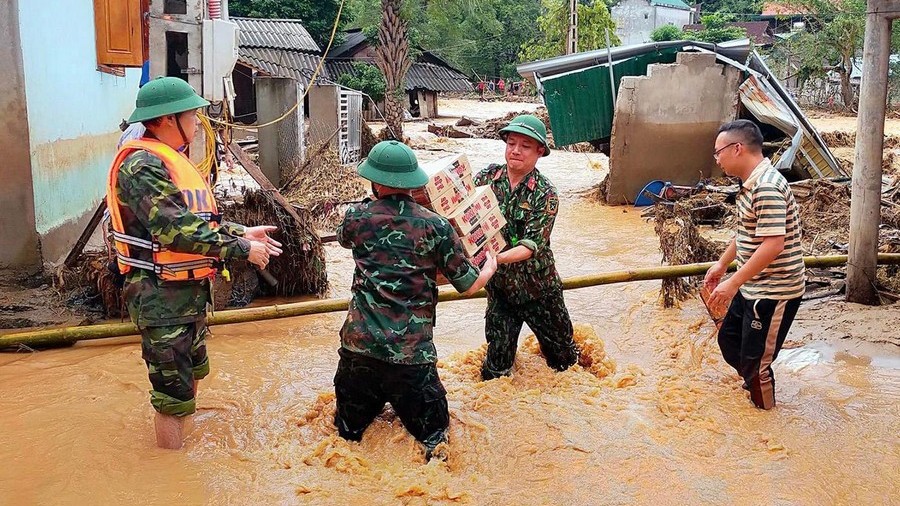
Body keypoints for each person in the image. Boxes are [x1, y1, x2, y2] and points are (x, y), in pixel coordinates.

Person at [106, 77, 282, 449]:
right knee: (173, 397)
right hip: (160, 298)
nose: (198, 121)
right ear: (169, 119)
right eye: (192, 114)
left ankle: (184, 444)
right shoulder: (141, 167)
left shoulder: (170, 161)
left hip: (187, 294)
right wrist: (241, 249)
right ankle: (170, 474)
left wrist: (241, 232)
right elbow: (175, 231)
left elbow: (197, 220)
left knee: (193, 374)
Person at [334, 140, 497, 460]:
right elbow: (467, 284)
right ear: (413, 182)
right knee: (437, 441)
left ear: (375, 181)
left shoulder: (356, 216)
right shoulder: (436, 226)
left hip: (358, 352)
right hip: (412, 359)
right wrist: (489, 267)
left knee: (346, 439)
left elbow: (344, 239)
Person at [704, 119, 805, 410]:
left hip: (774, 290)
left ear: (737, 148)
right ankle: (754, 383)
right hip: (753, 284)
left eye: (718, 152)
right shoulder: (749, 184)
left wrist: (732, 283)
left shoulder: (766, 187)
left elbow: (773, 245)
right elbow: (747, 232)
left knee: (756, 362)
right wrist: (722, 265)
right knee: (729, 341)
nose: (717, 158)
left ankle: (767, 420)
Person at [473, 114, 579, 381]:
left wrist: (494, 259)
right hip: (500, 293)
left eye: (525, 146)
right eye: (511, 143)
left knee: (565, 364)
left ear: (540, 151)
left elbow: (531, 245)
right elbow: (459, 212)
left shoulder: (545, 193)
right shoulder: (487, 178)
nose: (515, 151)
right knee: (495, 372)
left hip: (539, 291)